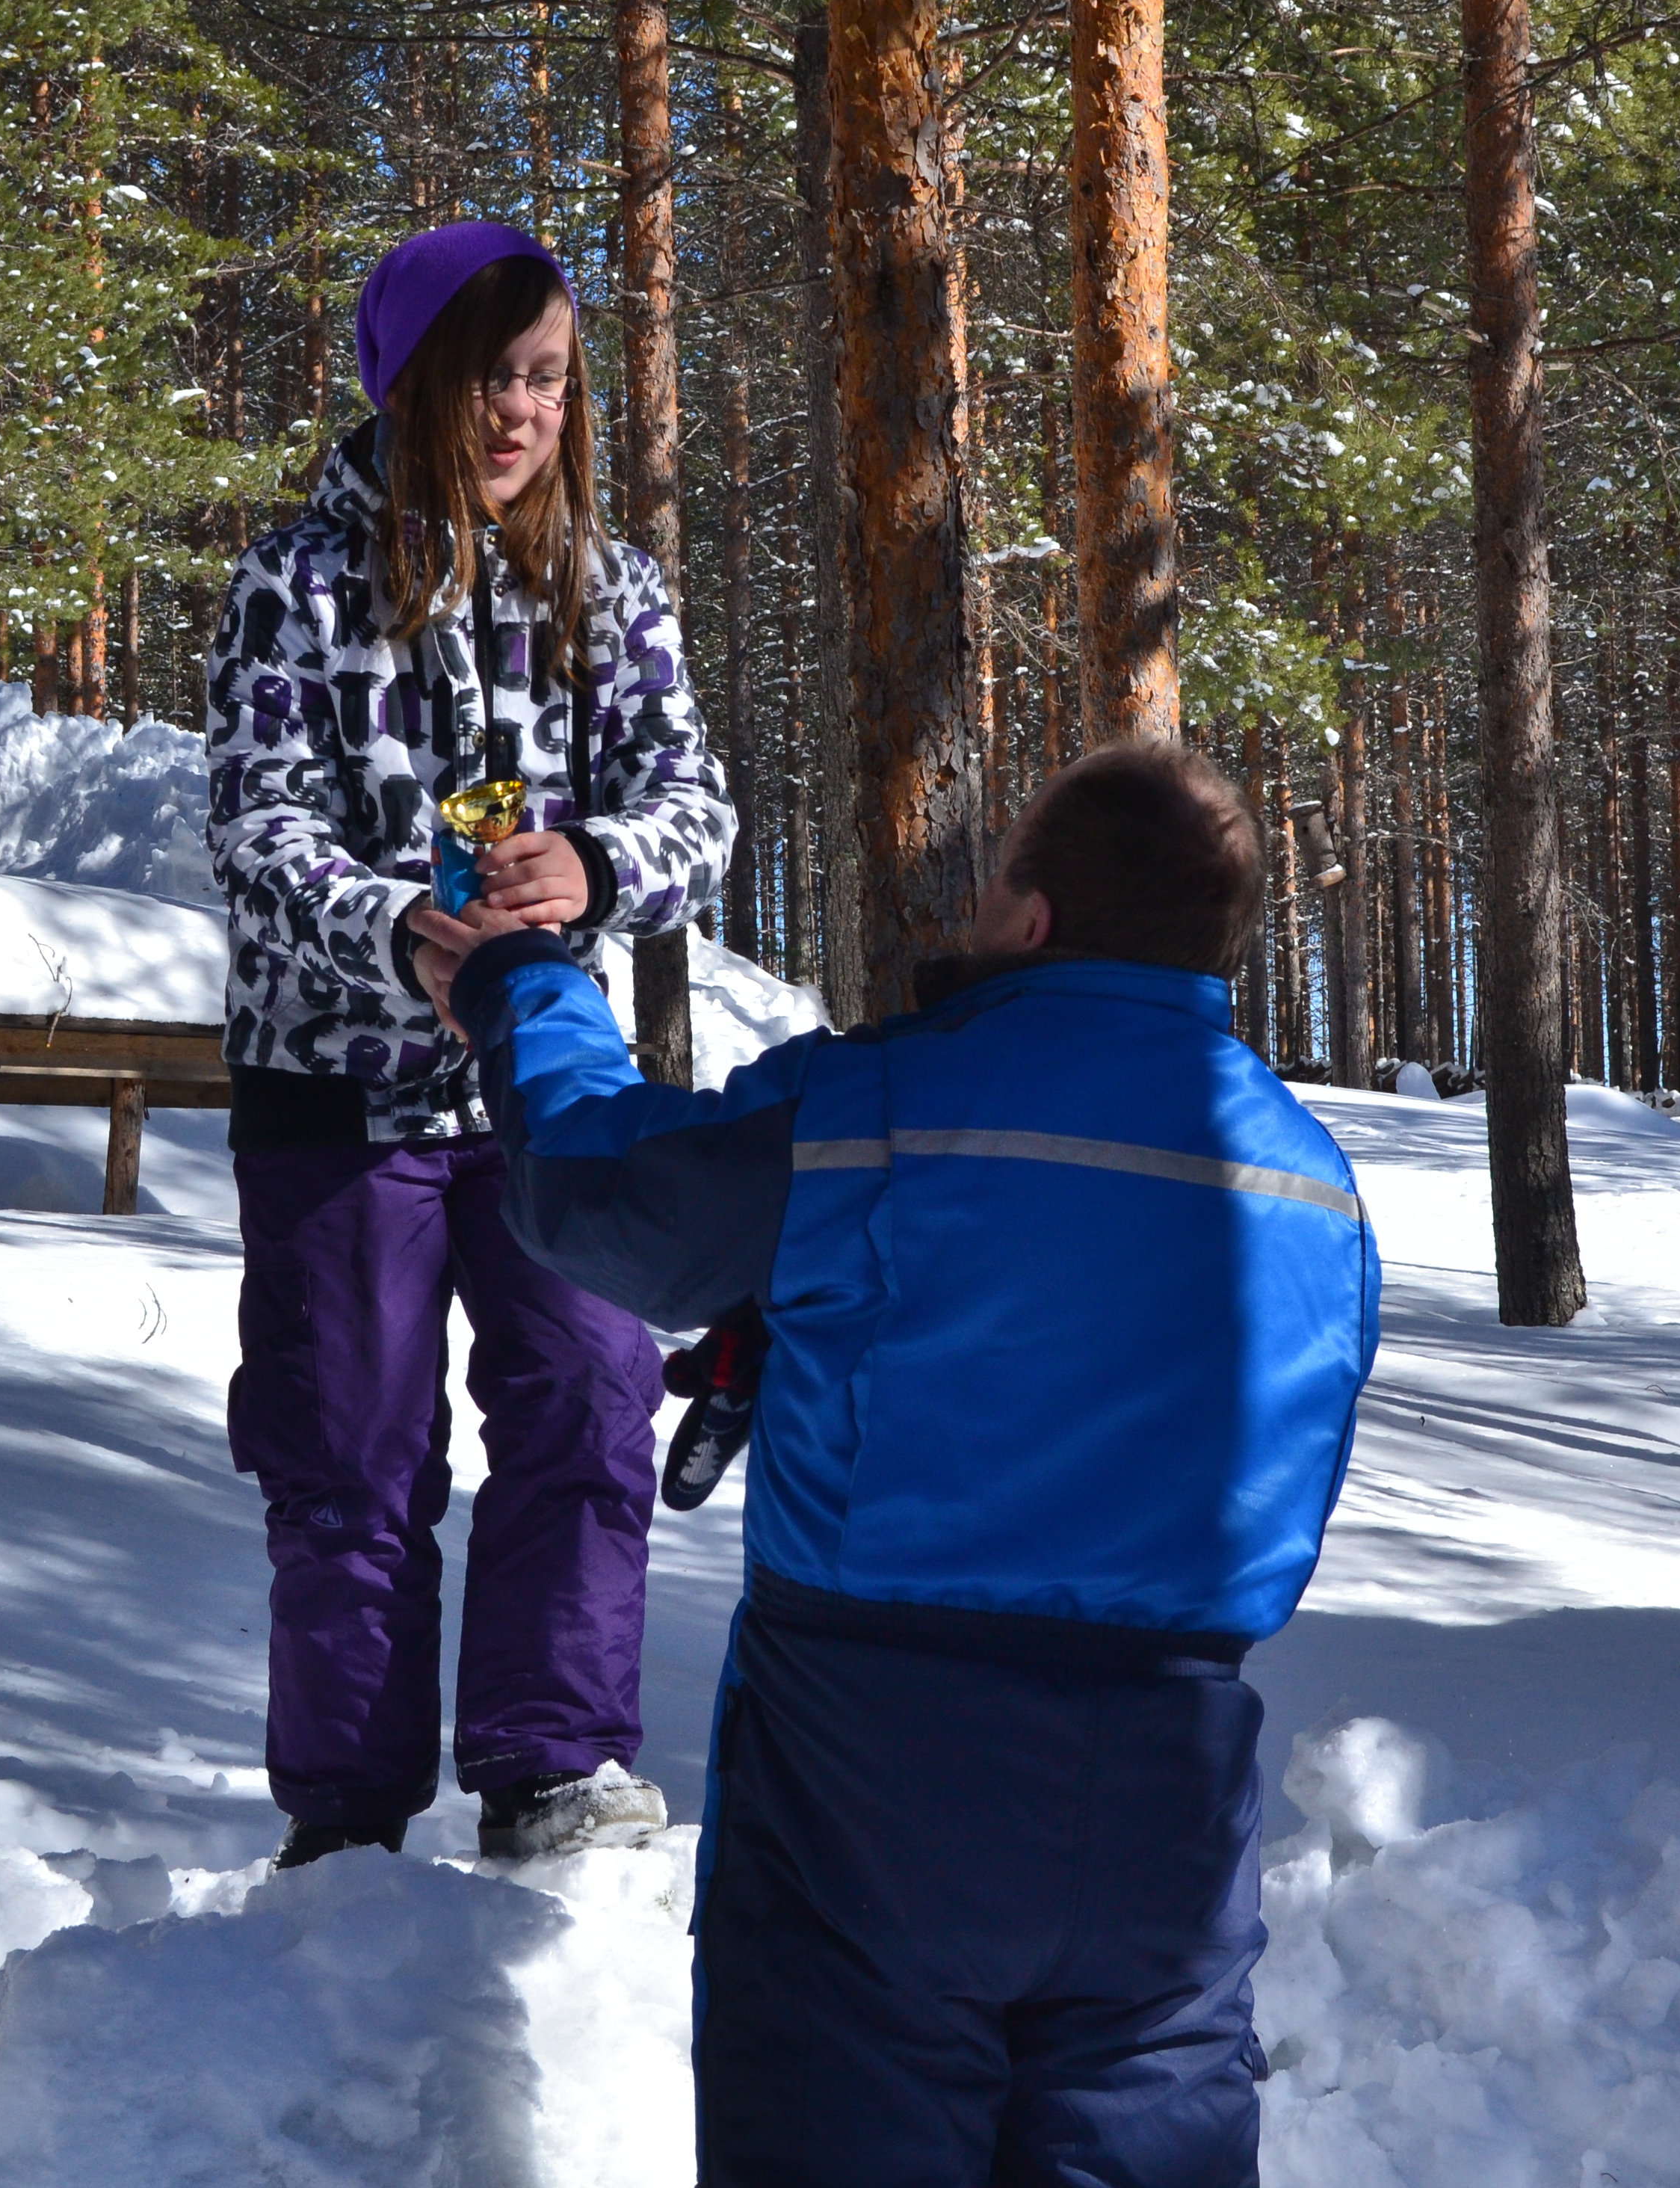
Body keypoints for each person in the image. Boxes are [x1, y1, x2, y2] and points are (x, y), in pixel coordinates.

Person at [416, 742, 1380, 2187]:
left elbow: (600, 1193)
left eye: (997, 888)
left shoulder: (886, 1107)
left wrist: (521, 987)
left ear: (1036, 920)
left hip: (874, 1770)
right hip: (1169, 1798)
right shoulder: (1314, 1181)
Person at [203, 221, 735, 1869]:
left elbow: (699, 816)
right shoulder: (295, 586)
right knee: (351, 1457)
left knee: (588, 1400)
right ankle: (348, 1826)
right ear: (415, 379)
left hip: (555, 1092)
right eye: (495, 378)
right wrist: (397, 928)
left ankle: (554, 1769)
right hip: (335, 1100)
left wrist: (599, 868)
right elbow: (253, 825)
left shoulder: (609, 587)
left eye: (551, 381)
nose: (523, 414)